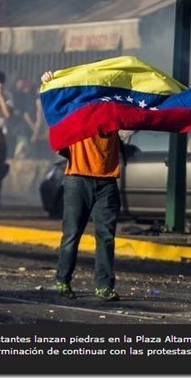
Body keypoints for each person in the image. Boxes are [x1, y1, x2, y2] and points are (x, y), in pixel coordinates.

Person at [41, 70, 122, 302]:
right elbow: (53, 106)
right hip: (78, 178)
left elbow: (135, 118)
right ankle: (63, 281)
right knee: (71, 235)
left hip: (107, 181)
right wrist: (49, 81)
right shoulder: (75, 106)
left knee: (106, 236)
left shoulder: (115, 108)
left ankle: (104, 286)